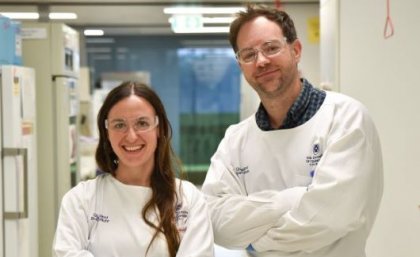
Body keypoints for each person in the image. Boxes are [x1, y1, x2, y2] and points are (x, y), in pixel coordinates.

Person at [201, 4, 383, 257]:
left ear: (295, 50)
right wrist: (293, 200)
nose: (261, 61)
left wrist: (255, 244)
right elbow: (215, 219)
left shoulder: (345, 118)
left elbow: (330, 219)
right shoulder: (236, 139)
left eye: (271, 48)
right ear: (240, 65)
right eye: (248, 54)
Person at [53, 81, 214, 257]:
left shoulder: (188, 199)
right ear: (106, 132)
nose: (131, 136)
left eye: (142, 123)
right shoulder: (80, 200)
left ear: (158, 129)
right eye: (119, 125)